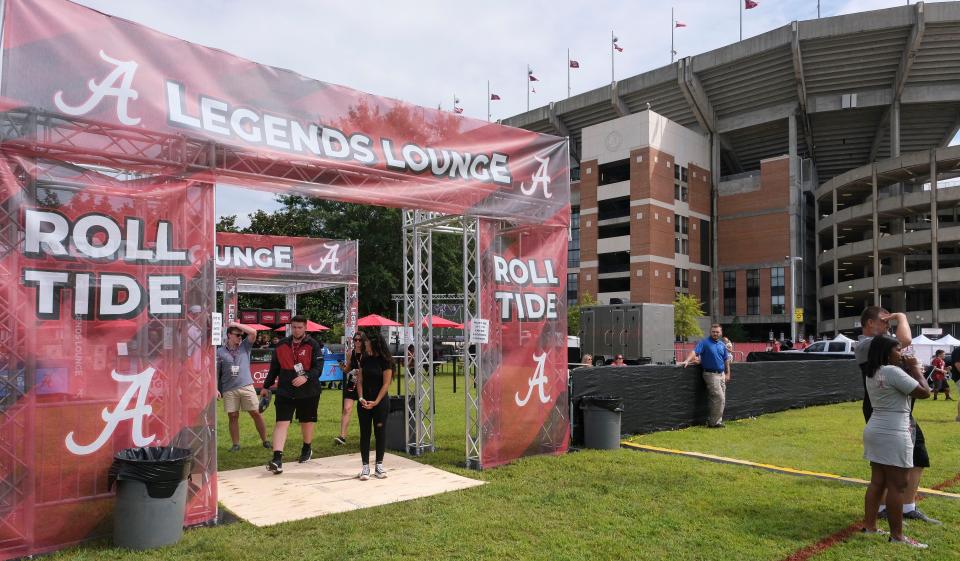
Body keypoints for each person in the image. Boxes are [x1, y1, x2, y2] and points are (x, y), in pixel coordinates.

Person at [857, 306, 940, 525]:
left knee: (917, 456)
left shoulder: (882, 351)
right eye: (883, 321)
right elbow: (905, 339)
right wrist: (902, 316)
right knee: (889, 468)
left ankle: (907, 507)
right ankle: (887, 509)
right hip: (888, 414)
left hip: (897, 411)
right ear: (869, 323)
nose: (887, 325)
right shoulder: (869, 344)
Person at [860, 335, 931, 548]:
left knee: (877, 482)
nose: (902, 353)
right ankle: (897, 536)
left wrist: (908, 370)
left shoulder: (872, 372)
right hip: (894, 431)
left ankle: (870, 526)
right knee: (898, 486)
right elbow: (925, 392)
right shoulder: (893, 371)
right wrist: (916, 369)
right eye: (898, 349)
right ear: (887, 352)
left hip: (875, 428)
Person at [260, 316, 324, 474]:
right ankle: (277, 459)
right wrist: (266, 386)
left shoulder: (313, 345)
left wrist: (306, 376)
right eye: (294, 327)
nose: (296, 330)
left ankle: (307, 448)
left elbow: (318, 368)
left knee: (306, 422)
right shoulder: (281, 345)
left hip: (308, 392)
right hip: (285, 391)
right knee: (281, 422)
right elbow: (274, 368)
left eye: (300, 327)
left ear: (305, 327)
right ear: (291, 327)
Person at [217, 322, 270, 452]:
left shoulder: (245, 346)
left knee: (256, 413)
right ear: (229, 335)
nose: (240, 337)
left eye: (241, 335)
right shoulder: (220, 351)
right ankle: (236, 444)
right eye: (237, 335)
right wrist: (215, 388)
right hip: (229, 388)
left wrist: (236, 324)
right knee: (233, 416)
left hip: (246, 385)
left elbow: (253, 332)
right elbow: (215, 371)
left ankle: (265, 440)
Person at [356, 332, 394, 481]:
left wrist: (376, 401)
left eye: (366, 341)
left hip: (380, 402)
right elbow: (359, 380)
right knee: (364, 433)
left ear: (374, 343)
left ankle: (379, 465)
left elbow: (386, 384)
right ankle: (365, 467)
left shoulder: (385, 360)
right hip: (364, 402)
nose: (364, 343)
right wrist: (360, 398)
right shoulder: (364, 359)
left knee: (380, 432)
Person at [679, 324, 731, 428]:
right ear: (710, 332)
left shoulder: (722, 345)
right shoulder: (704, 343)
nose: (715, 333)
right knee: (719, 397)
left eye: (717, 332)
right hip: (710, 374)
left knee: (722, 399)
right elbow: (695, 352)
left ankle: (717, 422)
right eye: (713, 331)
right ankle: (713, 423)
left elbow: (726, 360)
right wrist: (687, 360)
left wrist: (728, 373)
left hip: (721, 374)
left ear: (721, 333)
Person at [334, 332, 363, 446]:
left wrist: (361, 372)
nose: (357, 342)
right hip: (352, 382)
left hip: (364, 384)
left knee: (363, 410)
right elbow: (347, 369)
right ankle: (342, 436)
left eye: (359, 340)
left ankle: (364, 434)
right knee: (347, 409)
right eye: (355, 340)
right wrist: (343, 367)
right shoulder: (350, 353)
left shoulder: (367, 353)